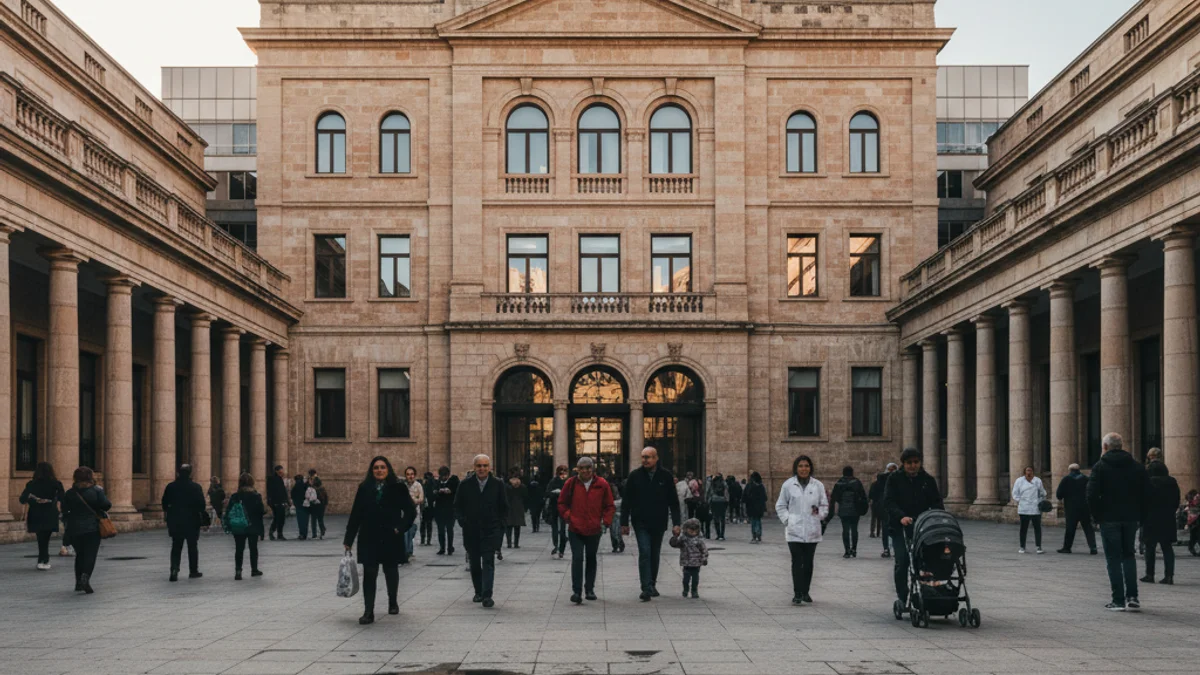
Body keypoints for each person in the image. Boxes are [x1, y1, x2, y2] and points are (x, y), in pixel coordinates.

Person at [344, 456, 417, 624]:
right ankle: (368, 611)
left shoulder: (398, 487)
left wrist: (400, 528)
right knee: (369, 573)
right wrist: (349, 538)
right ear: (371, 470)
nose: (379, 470)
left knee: (391, 570)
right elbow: (356, 515)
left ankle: (393, 601)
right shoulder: (364, 488)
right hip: (369, 536)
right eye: (376, 467)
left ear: (388, 469)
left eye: (382, 467)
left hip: (391, 536)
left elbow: (410, 511)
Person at [1087, 432, 1149, 612]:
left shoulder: (1100, 467)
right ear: (1121, 446)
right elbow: (1147, 493)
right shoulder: (1137, 467)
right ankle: (1133, 597)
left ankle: (1118, 600)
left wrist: (1097, 516)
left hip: (1109, 518)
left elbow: (1091, 495)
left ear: (1105, 447)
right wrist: (1141, 516)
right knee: (1128, 555)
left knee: (1113, 558)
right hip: (1131, 518)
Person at [883, 447, 944, 609]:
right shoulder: (894, 479)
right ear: (903, 464)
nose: (913, 466)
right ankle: (903, 596)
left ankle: (930, 594)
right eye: (909, 463)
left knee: (927, 559)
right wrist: (900, 516)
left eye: (916, 462)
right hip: (900, 527)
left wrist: (935, 517)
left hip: (923, 526)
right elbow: (889, 501)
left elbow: (937, 502)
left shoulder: (927, 480)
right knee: (902, 561)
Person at [620, 447, 682, 602]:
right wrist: (624, 523)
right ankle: (646, 587)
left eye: (648, 457)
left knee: (654, 554)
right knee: (645, 551)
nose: (645, 460)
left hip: (659, 521)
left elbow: (673, 502)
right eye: (643, 457)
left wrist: (676, 523)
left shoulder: (665, 476)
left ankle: (652, 583)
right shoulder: (635, 476)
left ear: (656, 458)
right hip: (640, 521)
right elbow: (626, 501)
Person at [558, 457, 615, 604]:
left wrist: (605, 521)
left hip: (594, 528)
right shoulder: (571, 483)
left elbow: (609, 505)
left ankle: (589, 589)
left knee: (591, 557)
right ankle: (576, 591)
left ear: (593, 468)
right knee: (577, 558)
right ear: (577, 469)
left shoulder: (602, 484)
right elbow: (562, 503)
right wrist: (568, 516)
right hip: (575, 528)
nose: (585, 471)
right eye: (582, 468)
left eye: (588, 467)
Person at [454, 454, 508, 608]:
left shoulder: (498, 484)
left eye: (485, 465)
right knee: (475, 562)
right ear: (474, 468)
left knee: (489, 562)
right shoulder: (465, 485)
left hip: (491, 530)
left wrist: (500, 526)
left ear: (489, 467)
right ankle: (478, 591)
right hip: (471, 531)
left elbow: (504, 507)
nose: (482, 469)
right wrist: (462, 521)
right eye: (479, 466)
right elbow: (457, 506)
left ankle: (487, 595)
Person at [776, 455, 828, 605]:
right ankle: (797, 592)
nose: (803, 469)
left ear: (810, 468)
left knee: (808, 561)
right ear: (796, 468)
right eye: (800, 466)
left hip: (812, 529)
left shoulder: (817, 485)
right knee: (797, 561)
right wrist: (788, 520)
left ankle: (806, 591)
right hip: (794, 530)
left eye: (806, 466)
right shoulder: (788, 485)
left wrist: (818, 514)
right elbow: (781, 505)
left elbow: (824, 505)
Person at [61, 467, 111, 594]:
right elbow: (107, 505)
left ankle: (78, 582)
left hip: (74, 529)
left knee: (80, 555)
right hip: (92, 529)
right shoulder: (96, 491)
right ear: (91, 477)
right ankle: (85, 577)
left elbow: (64, 510)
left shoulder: (70, 493)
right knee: (90, 554)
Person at [162, 464, 207, 582]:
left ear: (178, 473)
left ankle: (174, 569)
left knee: (176, 546)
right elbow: (202, 505)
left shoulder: (171, 487)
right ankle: (193, 571)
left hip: (175, 520)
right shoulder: (196, 487)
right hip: (192, 521)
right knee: (192, 546)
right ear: (190, 473)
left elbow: (164, 504)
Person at [20, 462, 64, 570]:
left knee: (40, 537)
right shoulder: (56, 484)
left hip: (36, 512)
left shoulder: (31, 484)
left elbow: (22, 499)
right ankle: (45, 559)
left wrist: (34, 500)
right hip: (50, 512)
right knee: (46, 536)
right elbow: (62, 498)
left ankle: (42, 559)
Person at [1141, 461, 1180, 585]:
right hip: (1167, 518)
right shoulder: (1172, 482)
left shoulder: (1148, 482)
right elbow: (1176, 501)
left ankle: (1149, 574)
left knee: (1149, 547)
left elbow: (1143, 501)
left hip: (1150, 518)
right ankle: (1169, 576)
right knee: (1167, 548)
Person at [224, 472, 265, 580]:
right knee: (253, 548)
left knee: (239, 549)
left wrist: (229, 525)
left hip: (239, 525)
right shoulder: (256, 496)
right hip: (253, 525)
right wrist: (261, 530)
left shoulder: (235, 496)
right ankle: (254, 569)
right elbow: (261, 512)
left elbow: (229, 512)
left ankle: (238, 570)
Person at [1055, 463, 1096, 554]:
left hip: (1071, 508)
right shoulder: (1086, 479)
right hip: (1085, 507)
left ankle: (1067, 548)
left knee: (1070, 528)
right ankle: (1093, 548)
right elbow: (1092, 492)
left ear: (1070, 470)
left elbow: (1059, 494)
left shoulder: (1066, 479)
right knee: (1088, 528)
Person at [830, 466, 867, 558]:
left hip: (843, 510)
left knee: (845, 530)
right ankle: (854, 549)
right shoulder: (857, 482)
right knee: (854, 529)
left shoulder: (839, 483)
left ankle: (847, 550)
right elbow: (863, 495)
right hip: (855, 509)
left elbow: (834, 497)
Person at [669, 518, 708, 599]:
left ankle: (694, 591)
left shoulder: (699, 540)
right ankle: (685, 589)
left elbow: (704, 549)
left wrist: (704, 558)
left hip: (696, 563)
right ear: (686, 529)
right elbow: (675, 544)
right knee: (686, 578)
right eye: (691, 530)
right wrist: (675, 536)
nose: (693, 532)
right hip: (686, 562)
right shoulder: (683, 539)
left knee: (695, 578)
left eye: (695, 530)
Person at [1012, 466, 1046, 554]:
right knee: (1023, 528)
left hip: (1035, 508)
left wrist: (1041, 500)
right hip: (1024, 507)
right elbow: (1015, 493)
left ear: (1033, 472)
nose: (1029, 472)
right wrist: (1021, 500)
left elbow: (1043, 492)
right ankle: (1022, 546)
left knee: (1037, 528)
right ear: (1024, 472)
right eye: (1027, 470)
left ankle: (1038, 547)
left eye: (1031, 470)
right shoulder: (1019, 481)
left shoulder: (1037, 480)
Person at [869, 463, 897, 554]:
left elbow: (872, 495)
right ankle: (891, 548)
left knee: (886, 528)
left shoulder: (879, 480)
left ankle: (886, 548)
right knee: (893, 529)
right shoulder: (898, 479)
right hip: (893, 508)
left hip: (885, 508)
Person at [432, 466, 459, 555]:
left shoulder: (453, 481)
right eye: (442, 476)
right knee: (440, 530)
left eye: (445, 476)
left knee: (449, 529)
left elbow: (455, 492)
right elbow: (433, 492)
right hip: (439, 510)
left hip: (450, 510)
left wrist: (446, 491)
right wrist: (438, 492)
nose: (443, 478)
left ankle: (450, 547)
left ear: (448, 475)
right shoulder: (437, 482)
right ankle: (442, 548)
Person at [545, 465, 570, 559]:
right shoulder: (554, 481)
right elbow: (547, 493)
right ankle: (556, 546)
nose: (563, 474)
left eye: (564, 471)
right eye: (561, 472)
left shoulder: (569, 482)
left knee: (562, 529)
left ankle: (561, 549)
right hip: (555, 507)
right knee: (555, 528)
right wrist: (554, 493)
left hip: (563, 507)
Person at [402, 467, 424, 559]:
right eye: (408, 474)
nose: (410, 476)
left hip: (415, 514)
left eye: (412, 474)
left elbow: (421, 499)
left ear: (414, 475)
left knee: (411, 533)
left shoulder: (418, 485)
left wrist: (413, 501)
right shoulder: (403, 486)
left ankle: (409, 551)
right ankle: (406, 553)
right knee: (405, 533)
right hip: (404, 514)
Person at [504, 472, 528, 549]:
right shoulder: (522, 487)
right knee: (517, 527)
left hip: (509, 508)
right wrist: (526, 507)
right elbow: (526, 497)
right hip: (519, 507)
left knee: (508, 527)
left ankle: (509, 543)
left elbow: (504, 497)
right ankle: (516, 544)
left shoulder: (507, 487)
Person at [743, 471, 767, 543]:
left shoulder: (749, 485)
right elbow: (765, 498)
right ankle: (758, 535)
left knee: (753, 521)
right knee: (758, 520)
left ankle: (754, 536)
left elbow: (745, 496)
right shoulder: (761, 486)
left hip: (751, 506)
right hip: (759, 507)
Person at [266, 465, 289, 541]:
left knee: (281, 518)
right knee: (277, 518)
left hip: (281, 502)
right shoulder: (272, 479)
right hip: (276, 502)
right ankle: (273, 533)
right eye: (280, 471)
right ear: (276, 471)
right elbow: (271, 492)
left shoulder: (279, 479)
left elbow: (283, 491)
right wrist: (272, 502)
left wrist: (286, 501)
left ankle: (279, 533)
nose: (282, 472)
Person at [420, 471, 436, 545]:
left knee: (423, 523)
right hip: (430, 506)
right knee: (428, 523)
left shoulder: (425, 484)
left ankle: (423, 539)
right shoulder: (433, 483)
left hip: (425, 506)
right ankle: (428, 540)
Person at [291, 474, 309, 540]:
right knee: (305, 520)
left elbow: (292, 495)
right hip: (306, 505)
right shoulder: (306, 485)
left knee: (300, 520)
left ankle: (302, 534)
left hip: (299, 505)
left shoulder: (296, 486)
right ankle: (305, 534)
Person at [527, 468, 544, 534]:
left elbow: (528, 496)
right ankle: (537, 526)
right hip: (538, 504)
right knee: (537, 515)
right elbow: (542, 496)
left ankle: (534, 527)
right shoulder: (539, 488)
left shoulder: (530, 489)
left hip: (533, 504)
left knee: (533, 516)